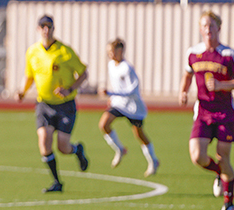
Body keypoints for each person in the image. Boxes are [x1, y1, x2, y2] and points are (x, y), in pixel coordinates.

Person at [179, 10, 234, 210]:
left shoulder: (229, 54)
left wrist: (220, 85)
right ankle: (219, 173)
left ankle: (229, 203)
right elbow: (188, 73)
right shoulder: (193, 53)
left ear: (219, 27)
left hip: (225, 112)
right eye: (204, 26)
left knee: (223, 156)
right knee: (197, 156)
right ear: (200, 29)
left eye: (212, 25)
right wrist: (183, 91)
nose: (208, 29)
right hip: (203, 111)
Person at [16, 15, 89, 193]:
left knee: (63, 147)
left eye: (49, 26)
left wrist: (69, 89)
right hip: (44, 104)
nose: (46, 30)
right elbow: (30, 75)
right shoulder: (32, 51)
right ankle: (57, 182)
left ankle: (77, 149)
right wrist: (22, 91)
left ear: (53, 29)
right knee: (44, 142)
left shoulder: (65, 51)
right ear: (38, 29)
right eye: (42, 26)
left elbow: (83, 73)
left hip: (65, 105)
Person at [98, 38, 159, 177]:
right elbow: (116, 86)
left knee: (139, 134)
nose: (110, 55)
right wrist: (112, 98)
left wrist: (111, 93)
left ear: (120, 51)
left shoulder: (127, 68)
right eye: (108, 52)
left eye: (112, 51)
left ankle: (153, 160)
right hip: (118, 104)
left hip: (133, 107)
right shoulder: (111, 65)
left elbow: (133, 90)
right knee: (104, 124)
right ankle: (120, 149)